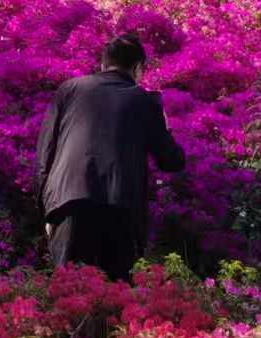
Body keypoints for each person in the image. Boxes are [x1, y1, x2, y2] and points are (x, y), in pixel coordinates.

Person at [36, 33, 186, 282]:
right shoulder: (144, 101)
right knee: (115, 296)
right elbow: (172, 161)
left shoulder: (69, 89)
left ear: (103, 64)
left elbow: (45, 154)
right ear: (138, 68)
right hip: (120, 207)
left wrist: (46, 210)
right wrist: (166, 127)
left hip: (69, 202)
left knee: (69, 294)